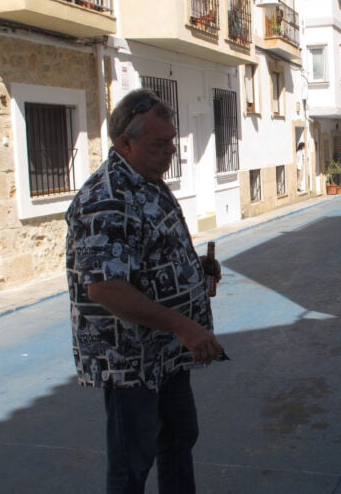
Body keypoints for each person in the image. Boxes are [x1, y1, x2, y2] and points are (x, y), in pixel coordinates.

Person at [65, 88, 224, 493]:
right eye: (160, 143)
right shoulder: (106, 198)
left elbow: (149, 254)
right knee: (131, 463)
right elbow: (106, 289)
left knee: (178, 440)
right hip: (131, 360)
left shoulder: (147, 180)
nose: (171, 150)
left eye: (172, 140)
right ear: (125, 142)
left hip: (167, 354)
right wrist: (182, 326)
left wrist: (195, 269)